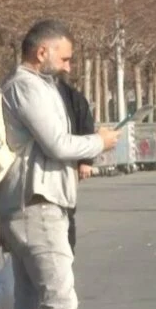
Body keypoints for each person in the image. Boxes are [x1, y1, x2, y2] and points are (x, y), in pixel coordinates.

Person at [0, 19, 119, 309]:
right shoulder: (27, 87)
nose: (68, 66)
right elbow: (58, 145)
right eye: (64, 57)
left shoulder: (30, 86)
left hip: (26, 203)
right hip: (39, 203)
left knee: (31, 302)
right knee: (60, 301)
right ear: (41, 51)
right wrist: (101, 141)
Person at [57, 75, 95, 252]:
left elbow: (85, 124)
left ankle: (66, 252)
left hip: (67, 161)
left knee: (66, 208)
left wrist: (85, 161)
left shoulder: (70, 95)